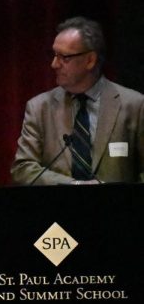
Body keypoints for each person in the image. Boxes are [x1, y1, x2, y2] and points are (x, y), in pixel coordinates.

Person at [11, 16, 144, 185]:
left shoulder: (135, 105)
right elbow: (23, 169)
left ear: (90, 60)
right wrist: (76, 186)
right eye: (54, 55)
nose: (54, 64)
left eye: (64, 57)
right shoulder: (39, 108)